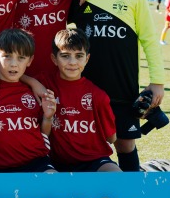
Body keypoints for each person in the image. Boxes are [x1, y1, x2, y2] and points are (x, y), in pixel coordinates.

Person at [70, 0, 164, 172]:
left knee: (125, 143)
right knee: (87, 143)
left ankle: (132, 189)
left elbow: (149, 39)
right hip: (88, 87)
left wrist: (157, 82)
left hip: (123, 85)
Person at [0, 28, 56, 173]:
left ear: (30, 60)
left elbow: (44, 133)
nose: (14, 64)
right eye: (7, 56)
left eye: (21, 58)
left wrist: (48, 118)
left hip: (36, 163)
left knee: (54, 181)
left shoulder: (35, 92)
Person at [40, 28, 121, 172]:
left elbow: (111, 138)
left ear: (87, 59)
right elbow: (21, 78)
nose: (72, 62)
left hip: (94, 160)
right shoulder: (45, 84)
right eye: (65, 56)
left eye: (79, 56)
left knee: (116, 176)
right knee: (49, 179)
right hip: (56, 162)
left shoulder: (98, 96)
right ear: (54, 59)